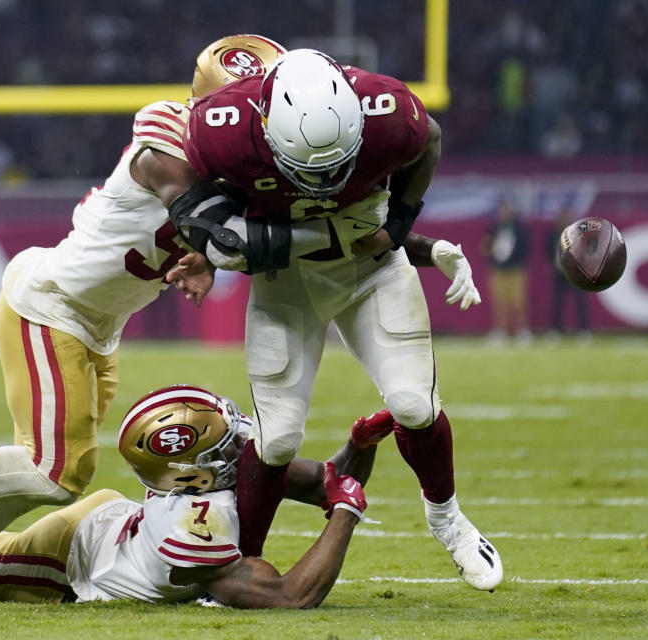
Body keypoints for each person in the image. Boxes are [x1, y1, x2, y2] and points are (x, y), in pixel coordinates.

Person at [0, 34, 304, 603]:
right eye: (255, 106)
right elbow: (207, 217)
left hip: (96, 326)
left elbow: (209, 228)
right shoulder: (170, 141)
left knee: (29, 484)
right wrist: (225, 245)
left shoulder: (232, 162)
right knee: (55, 472)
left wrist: (204, 256)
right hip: (53, 306)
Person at [166, 49, 502, 591]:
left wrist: (399, 224)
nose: (323, 183)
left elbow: (430, 139)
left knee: (414, 405)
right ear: (269, 128)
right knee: (276, 440)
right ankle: (242, 563)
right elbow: (202, 210)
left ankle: (448, 520)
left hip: (371, 272)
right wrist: (210, 248)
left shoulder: (388, 110)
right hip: (289, 281)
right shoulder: (220, 127)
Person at [0, 386, 377, 607]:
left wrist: (358, 447)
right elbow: (289, 597)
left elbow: (323, 481)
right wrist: (347, 512)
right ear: (190, 467)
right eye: (224, 438)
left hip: (106, 522)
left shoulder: (197, 479)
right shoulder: (194, 528)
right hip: (70, 556)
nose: (239, 439)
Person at [482, 197, 532, 343]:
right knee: (499, 302)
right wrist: (492, 254)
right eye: (503, 209)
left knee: (518, 302)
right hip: (498, 270)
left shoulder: (519, 227)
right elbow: (486, 246)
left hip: (515, 270)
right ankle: (501, 331)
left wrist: (518, 263)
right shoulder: (494, 227)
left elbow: (525, 247)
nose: (505, 212)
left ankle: (522, 331)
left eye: (507, 208)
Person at [548, 209, 589, 338]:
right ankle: (556, 330)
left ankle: (583, 330)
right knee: (557, 302)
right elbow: (549, 250)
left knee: (580, 302)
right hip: (560, 272)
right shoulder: (555, 234)